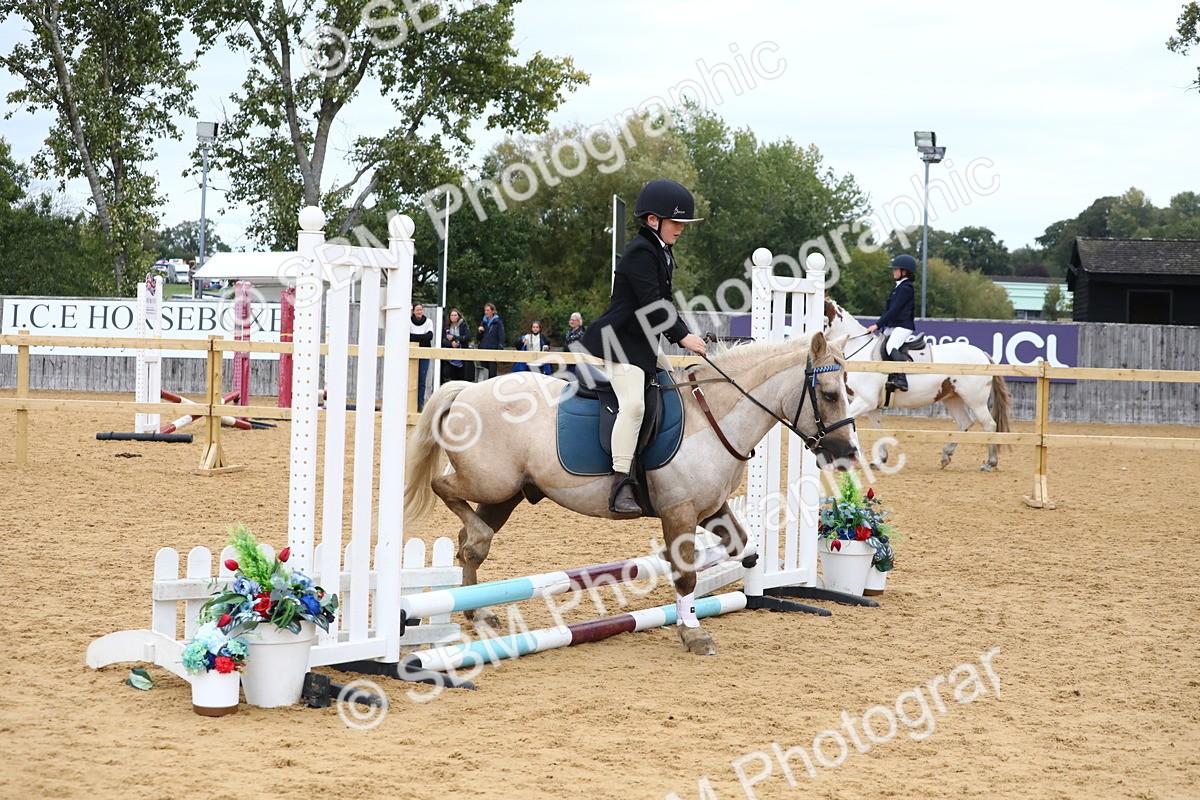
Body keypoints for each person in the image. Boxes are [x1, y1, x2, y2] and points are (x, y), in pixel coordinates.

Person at [581, 178, 708, 515]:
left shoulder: (660, 251)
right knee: (634, 405)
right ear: (653, 220)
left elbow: (663, 302)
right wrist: (682, 336)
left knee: (675, 384)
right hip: (619, 342)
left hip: (642, 342)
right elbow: (653, 304)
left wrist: (682, 333)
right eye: (675, 221)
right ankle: (620, 482)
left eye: (682, 223)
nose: (680, 228)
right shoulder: (641, 251)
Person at [866, 254, 917, 392]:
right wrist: (881, 324)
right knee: (879, 343)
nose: (893, 272)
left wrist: (877, 325)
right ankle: (891, 375)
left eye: (895, 269)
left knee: (891, 346)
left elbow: (894, 310)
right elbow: (888, 311)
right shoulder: (898, 287)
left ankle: (902, 379)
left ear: (904, 271)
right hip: (893, 325)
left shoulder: (906, 288)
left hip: (903, 326)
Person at [409, 303, 434, 410]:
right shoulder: (408, 321)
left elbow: (429, 336)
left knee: (422, 380)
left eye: (421, 309)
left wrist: (414, 337)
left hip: (424, 353)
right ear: (413, 311)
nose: (419, 312)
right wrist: (422, 337)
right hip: (410, 354)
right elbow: (407, 336)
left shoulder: (428, 322)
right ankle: (409, 403)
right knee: (410, 379)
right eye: (417, 310)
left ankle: (420, 404)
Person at [440, 307, 471, 383]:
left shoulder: (463, 325)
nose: (454, 317)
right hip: (450, 355)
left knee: (462, 375)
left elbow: (467, 337)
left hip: (462, 353)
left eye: (455, 315)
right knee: (447, 373)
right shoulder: (446, 327)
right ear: (449, 317)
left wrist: (454, 337)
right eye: (452, 315)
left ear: (458, 316)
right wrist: (451, 344)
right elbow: (443, 340)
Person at [477, 302, 506, 380]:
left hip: (493, 350)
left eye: (488, 310)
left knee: (492, 373)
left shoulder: (498, 323)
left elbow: (501, 337)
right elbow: (478, 338)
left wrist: (500, 350)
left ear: (493, 311)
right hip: (483, 349)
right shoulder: (483, 323)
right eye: (485, 310)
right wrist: (479, 332)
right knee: (484, 371)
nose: (486, 312)